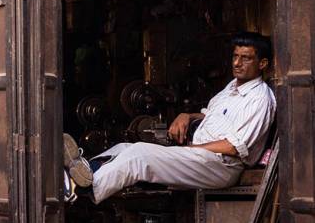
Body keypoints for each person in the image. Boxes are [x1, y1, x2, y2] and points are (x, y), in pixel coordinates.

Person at [66, 32, 276, 204]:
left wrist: (189, 150)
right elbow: (211, 116)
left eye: (246, 58)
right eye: (235, 56)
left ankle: (83, 189)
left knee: (139, 156)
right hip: (204, 157)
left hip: (222, 166)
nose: (237, 63)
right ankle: (82, 173)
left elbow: (233, 147)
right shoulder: (232, 88)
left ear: (263, 63)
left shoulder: (260, 99)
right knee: (125, 147)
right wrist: (187, 115)